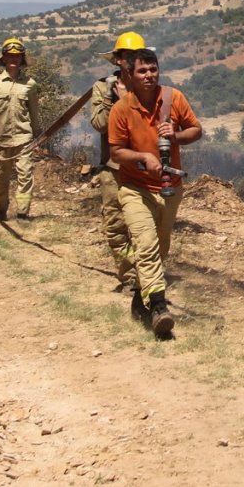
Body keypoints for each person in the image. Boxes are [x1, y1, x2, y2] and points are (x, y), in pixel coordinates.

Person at [108, 47, 203, 335]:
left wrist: (174, 136)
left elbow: (196, 130)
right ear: (131, 75)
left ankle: (141, 295)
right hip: (135, 188)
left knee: (161, 247)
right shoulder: (121, 109)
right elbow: (116, 151)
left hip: (169, 188)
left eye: (153, 69)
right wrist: (142, 158)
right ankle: (159, 307)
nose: (149, 75)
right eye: (142, 71)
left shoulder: (173, 98)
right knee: (146, 244)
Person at [89, 31, 146, 297]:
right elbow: (100, 124)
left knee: (144, 225)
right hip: (113, 168)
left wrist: (126, 101)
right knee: (114, 225)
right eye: (126, 56)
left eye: (136, 56)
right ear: (117, 60)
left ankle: (145, 274)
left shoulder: (149, 87)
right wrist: (120, 102)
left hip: (143, 168)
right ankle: (130, 274)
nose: (131, 61)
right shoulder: (103, 88)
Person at [0, 38, 41, 221]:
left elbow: (34, 112)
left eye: (17, 56)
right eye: (10, 56)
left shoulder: (30, 84)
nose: (13, 59)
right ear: (3, 58)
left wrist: (38, 134)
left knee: (25, 175)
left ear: (22, 59)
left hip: (23, 138)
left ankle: (22, 213)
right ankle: (1, 210)